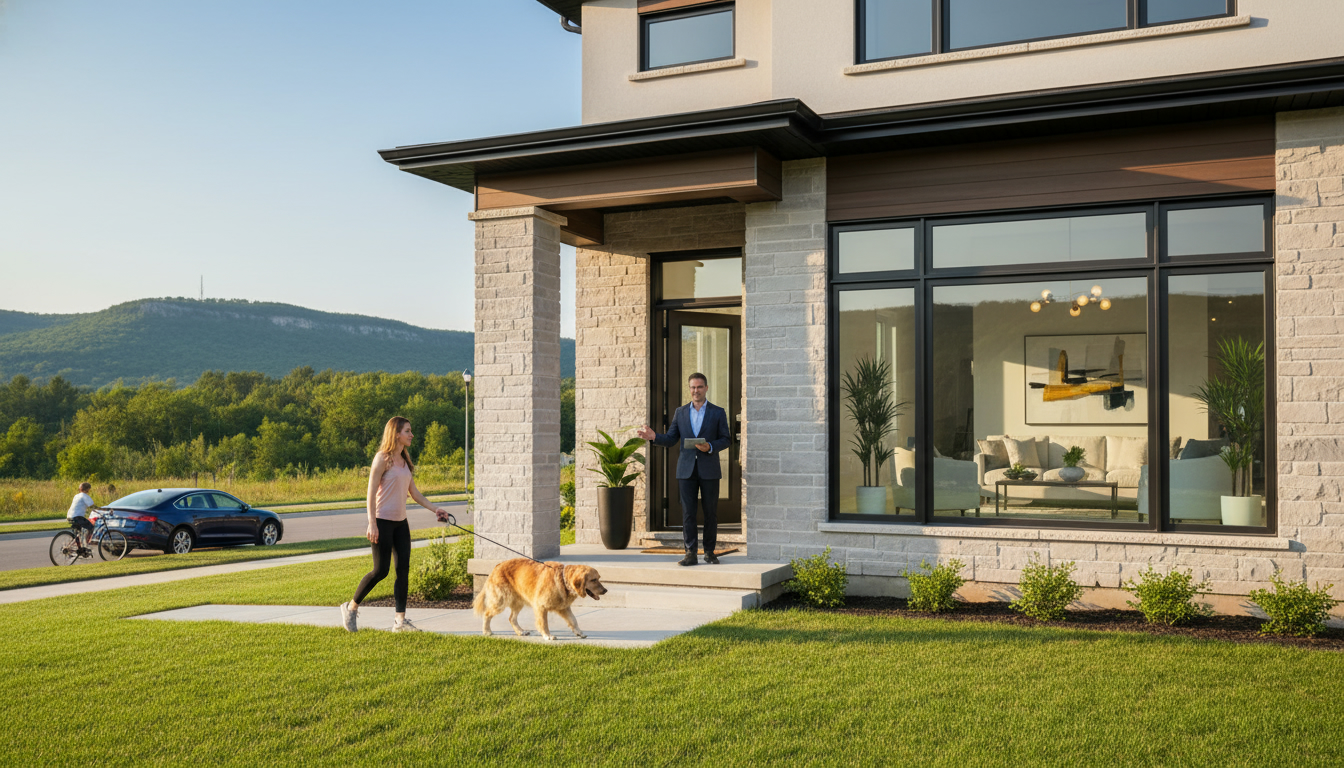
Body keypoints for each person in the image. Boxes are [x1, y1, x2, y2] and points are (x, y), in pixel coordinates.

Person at [340, 416, 452, 633]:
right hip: (382, 522)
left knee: (403, 571)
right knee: (380, 571)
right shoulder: (382, 458)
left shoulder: (405, 461)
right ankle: (351, 607)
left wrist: (435, 509)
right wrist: (372, 523)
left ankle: (400, 622)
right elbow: (371, 493)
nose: (411, 435)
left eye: (410, 431)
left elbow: (414, 493)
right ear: (396, 434)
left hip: (401, 523)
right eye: (407, 431)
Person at [637, 372, 732, 567]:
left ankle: (709, 552)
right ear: (689, 389)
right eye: (692, 387)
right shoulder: (680, 412)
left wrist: (711, 446)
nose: (696, 391)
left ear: (706, 388)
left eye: (699, 387)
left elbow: (726, 439)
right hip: (686, 470)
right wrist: (655, 437)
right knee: (688, 513)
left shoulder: (718, 412)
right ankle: (690, 553)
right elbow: (672, 438)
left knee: (710, 513)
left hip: (709, 470)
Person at [66, 482, 99, 546]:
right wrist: (101, 510)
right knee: (91, 528)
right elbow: (92, 506)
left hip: (70, 516)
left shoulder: (77, 496)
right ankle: (86, 544)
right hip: (77, 517)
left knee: (79, 533)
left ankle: (77, 546)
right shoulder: (85, 496)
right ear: (87, 489)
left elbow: (79, 506)